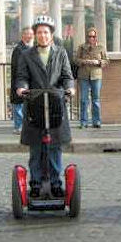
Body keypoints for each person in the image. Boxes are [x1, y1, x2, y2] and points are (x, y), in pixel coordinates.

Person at [16, 15, 75, 198]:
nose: (42, 35)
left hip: (56, 104)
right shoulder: (27, 55)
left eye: (46, 32)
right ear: (35, 35)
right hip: (35, 104)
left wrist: (70, 88)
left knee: (55, 146)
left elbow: (67, 75)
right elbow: (21, 76)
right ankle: (35, 183)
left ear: (51, 35)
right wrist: (22, 88)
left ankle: (56, 183)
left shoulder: (60, 53)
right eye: (39, 32)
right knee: (36, 147)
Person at [76, 27, 109, 129]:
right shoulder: (81, 47)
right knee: (83, 100)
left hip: (96, 75)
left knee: (96, 100)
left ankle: (96, 121)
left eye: (93, 36)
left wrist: (98, 62)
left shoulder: (101, 47)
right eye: (90, 36)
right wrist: (84, 61)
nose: (91, 38)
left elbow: (106, 60)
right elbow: (76, 60)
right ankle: (83, 122)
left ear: (96, 37)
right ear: (87, 37)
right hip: (83, 75)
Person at [10, 27, 34, 134]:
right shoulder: (18, 49)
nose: (30, 36)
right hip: (19, 80)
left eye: (31, 34)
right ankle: (18, 127)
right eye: (28, 34)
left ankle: (22, 126)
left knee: (24, 104)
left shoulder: (28, 48)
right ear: (23, 35)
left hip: (26, 80)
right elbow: (17, 67)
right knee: (19, 104)